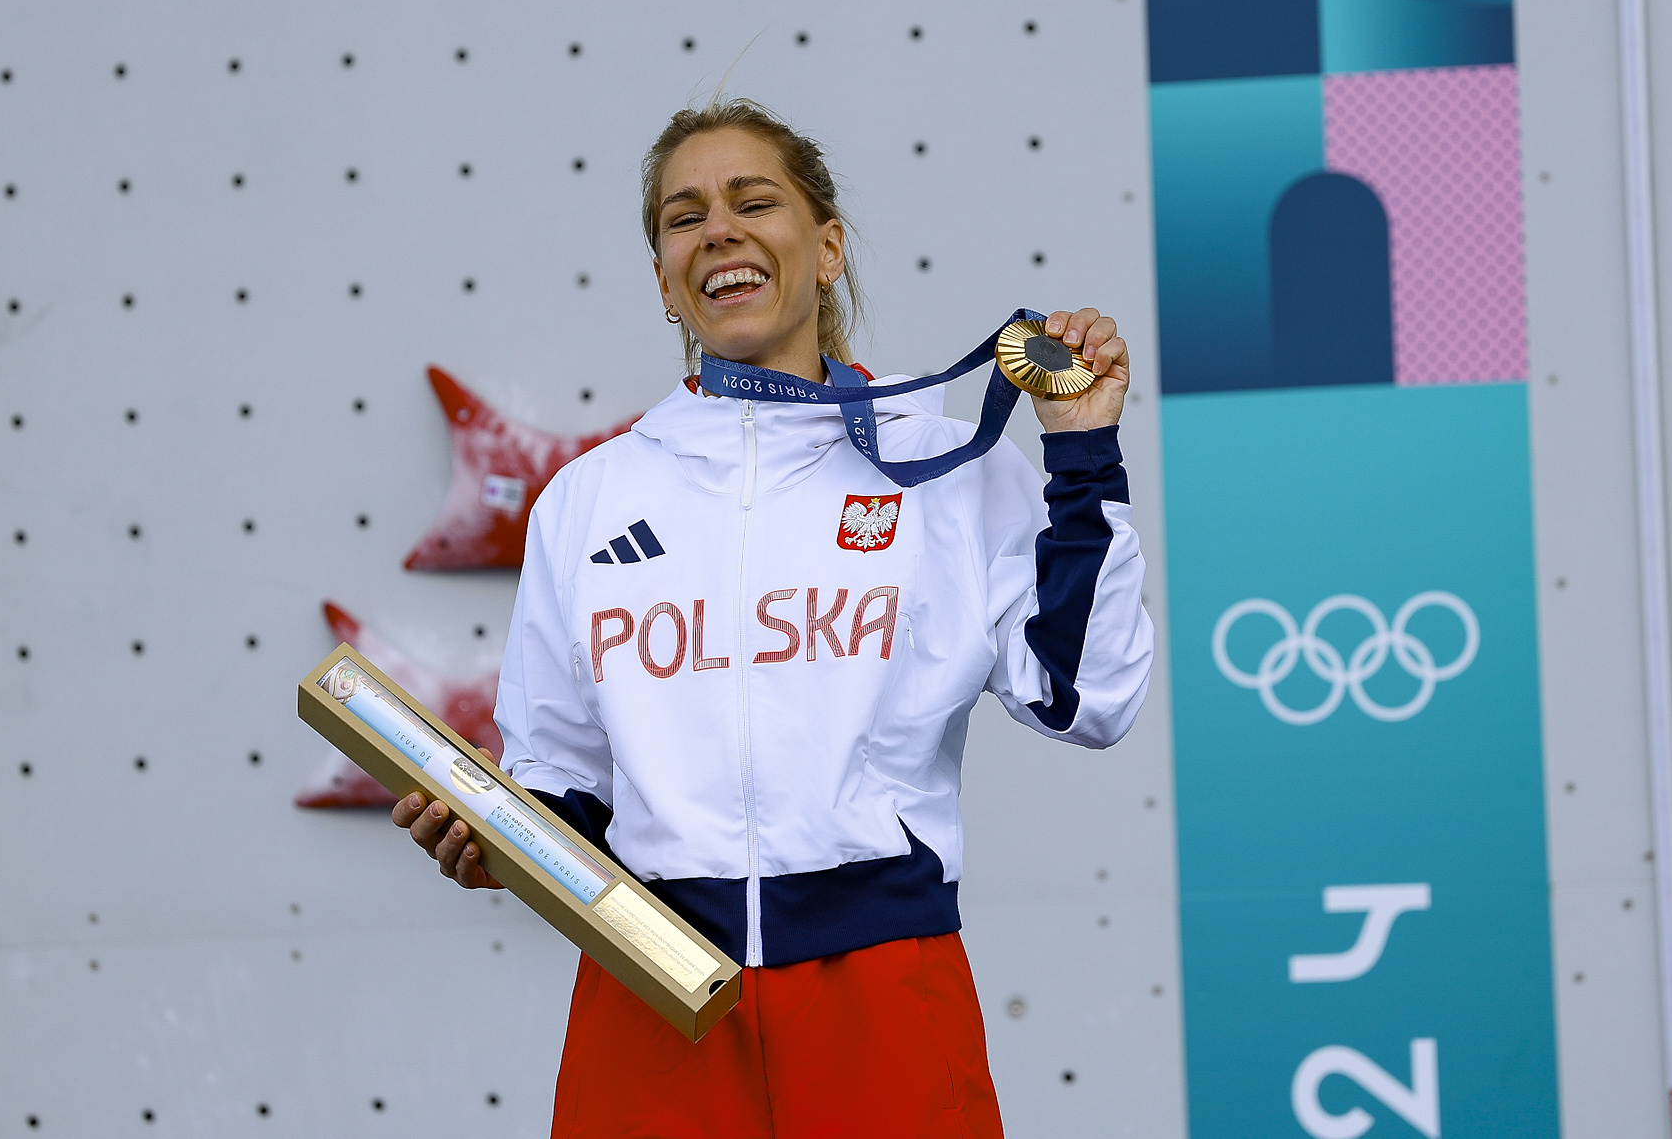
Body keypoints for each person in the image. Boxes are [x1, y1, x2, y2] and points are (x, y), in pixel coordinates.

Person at [393, 99, 1153, 1137]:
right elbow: (557, 773)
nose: (718, 230)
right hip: (652, 992)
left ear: (827, 245)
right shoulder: (590, 497)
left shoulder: (947, 467)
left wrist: (1079, 455)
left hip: (881, 989)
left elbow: (1085, 695)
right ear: (664, 276)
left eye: (755, 200)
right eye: (682, 216)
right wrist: (493, 838)